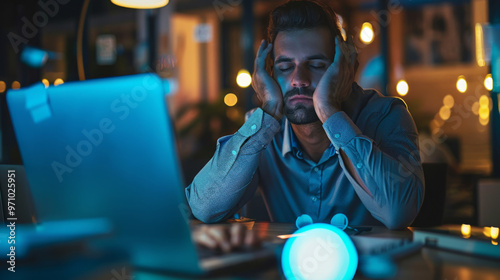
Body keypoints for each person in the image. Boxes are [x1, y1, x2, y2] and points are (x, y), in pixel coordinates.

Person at [186, 0, 424, 245]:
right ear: (270, 74)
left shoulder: (386, 116)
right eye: (285, 66)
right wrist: (268, 111)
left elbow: (398, 212)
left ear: (343, 70)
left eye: (317, 65)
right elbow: (204, 207)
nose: (299, 79)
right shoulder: (262, 131)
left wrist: (329, 112)